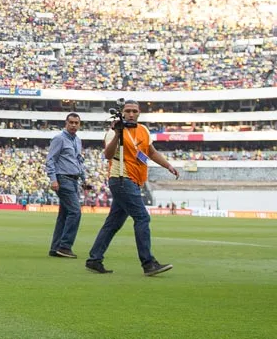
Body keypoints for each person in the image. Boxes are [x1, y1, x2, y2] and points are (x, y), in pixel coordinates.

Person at [85, 100, 180, 276]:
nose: (131, 114)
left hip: (134, 179)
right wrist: (117, 134)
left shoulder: (143, 130)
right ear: (122, 112)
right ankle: (148, 263)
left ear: (139, 113)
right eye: (127, 111)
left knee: (113, 223)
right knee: (142, 218)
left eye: (134, 111)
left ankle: (94, 259)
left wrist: (168, 166)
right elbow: (107, 154)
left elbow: (151, 152)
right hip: (121, 178)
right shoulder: (113, 131)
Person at [45, 113, 86, 259]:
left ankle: (56, 248)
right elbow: (50, 160)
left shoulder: (78, 141)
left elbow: (78, 160)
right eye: (71, 122)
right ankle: (65, 246)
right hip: (63, 179)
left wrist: (84, 179)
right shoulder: (59, 139)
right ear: (66, 123)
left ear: (79, 124)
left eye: (76, 123)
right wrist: (53, 179)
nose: (74, 125)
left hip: (74, 179)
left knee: (64, 214)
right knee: (75, 212)